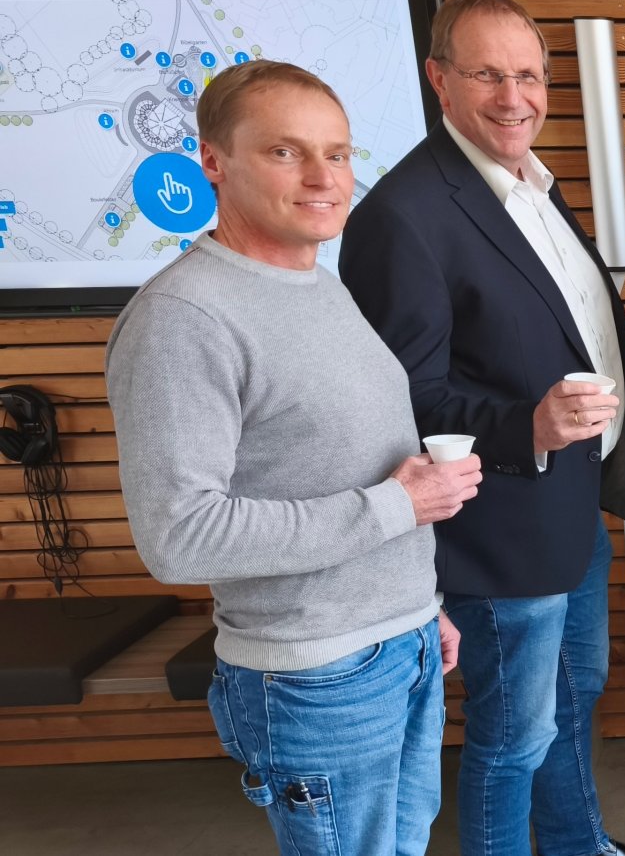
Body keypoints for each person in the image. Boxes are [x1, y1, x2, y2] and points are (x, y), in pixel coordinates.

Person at [107, 59, 482, 856]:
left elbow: (336, 462)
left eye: (337, 154)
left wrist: (418, 607)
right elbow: (179, 536)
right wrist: (396, 508)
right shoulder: (183, 318)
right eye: (286, 152)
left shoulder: (320, 283)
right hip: (316, 676)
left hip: (399, 644)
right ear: (213, 161)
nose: (323, 178)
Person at [338, 0, 625, 856]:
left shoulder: (528, 184)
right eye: (488, 74)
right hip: (498, 533)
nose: (514, 96)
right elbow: (401, 401)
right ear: (439, 79)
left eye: (529, 75)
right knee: (514, 737)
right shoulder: (403, 216)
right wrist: (527, 424)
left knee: (571, 702)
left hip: (570, 507)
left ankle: (578, 846)